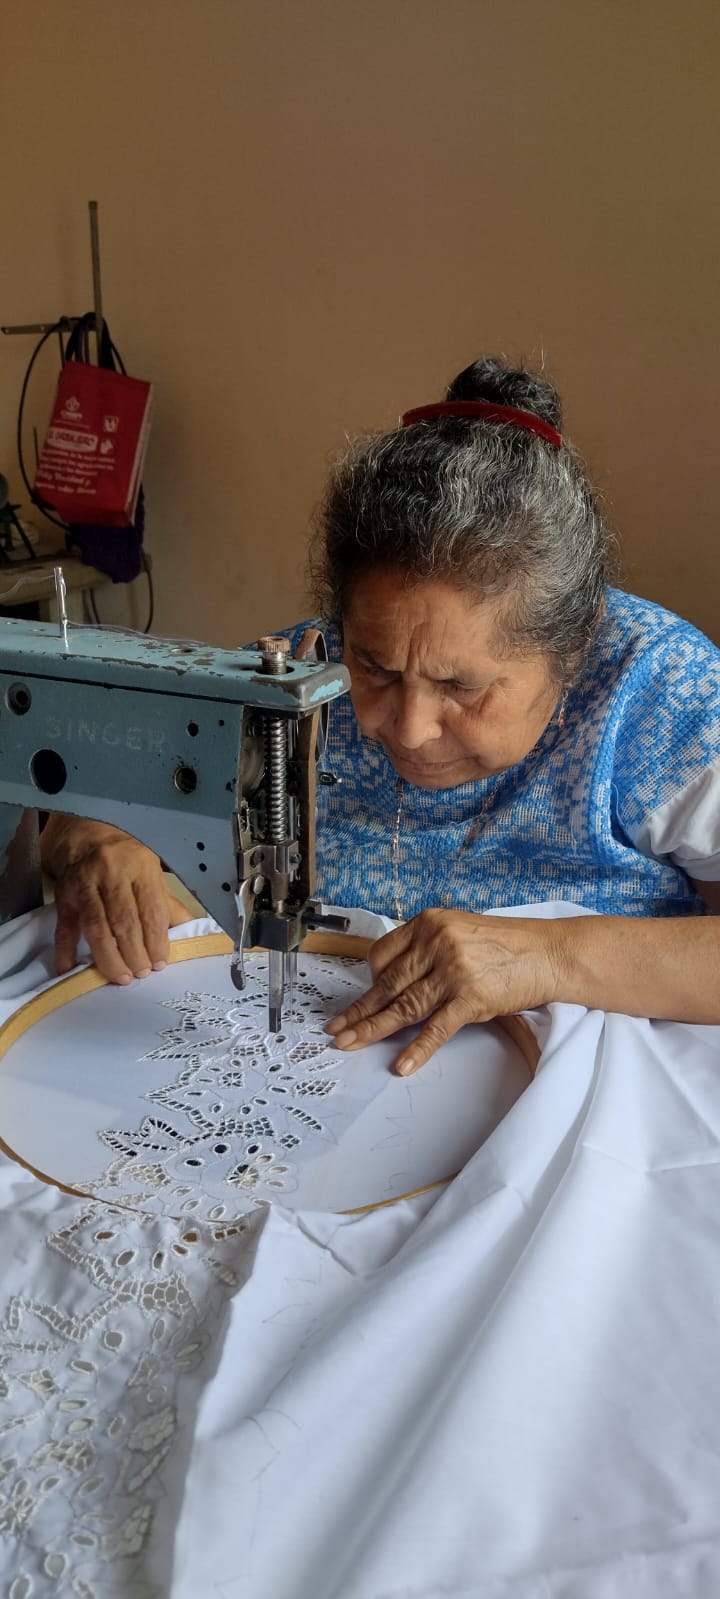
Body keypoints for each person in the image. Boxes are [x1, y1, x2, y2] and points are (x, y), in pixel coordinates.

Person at [41, 357, 720, 1073]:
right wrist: (96, 840)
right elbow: (90, 787)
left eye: (461, 686)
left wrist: (551, 955)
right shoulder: (304, 674)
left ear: (574, 648)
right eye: (377, 668)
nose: (407, 726)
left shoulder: (662, 693)